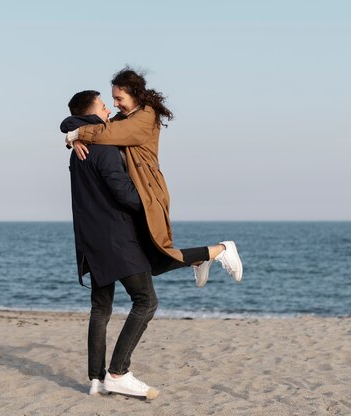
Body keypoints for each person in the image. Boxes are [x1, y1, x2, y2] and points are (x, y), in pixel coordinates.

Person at [65, 68, 243, 288]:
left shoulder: (146, 116)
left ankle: (224, 249)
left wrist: (78, 135)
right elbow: (78, 123)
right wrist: (74, 138)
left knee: (154, 260)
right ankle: (203, 257)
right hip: (135, 194)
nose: (115, 104)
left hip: (148, 195)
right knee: (155, 263)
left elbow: (106, 132)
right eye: (112, 99)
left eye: (119, 98)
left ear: (135, 95)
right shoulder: (122, 119)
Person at [62, 90, 161, 399]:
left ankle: (95, 379)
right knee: (145, 301)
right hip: (117, 239)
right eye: (104, 105)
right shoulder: (103, 149)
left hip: (90, 241)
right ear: (91, 112)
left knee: (101, 308)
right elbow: (123, 194)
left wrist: (73, 134)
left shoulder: (77, 150)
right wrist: (149, 202)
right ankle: (118, 371)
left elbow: (68, 122)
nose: (109, 108)